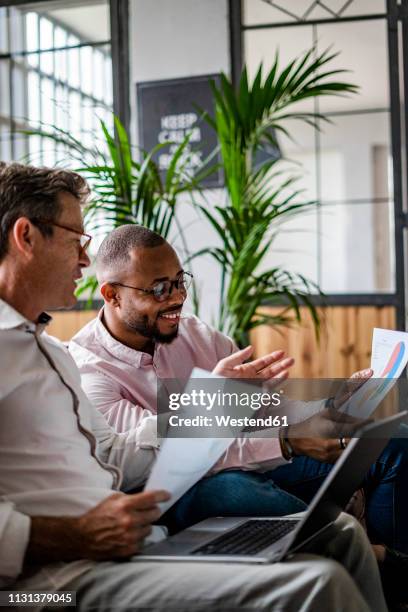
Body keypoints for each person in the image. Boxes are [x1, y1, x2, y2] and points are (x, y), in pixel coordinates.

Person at [0, 161, 386, 612]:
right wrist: (73, 534)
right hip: (49, 583)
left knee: (340, 535)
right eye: (75, 241)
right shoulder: (73, 360)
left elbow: (116, 458)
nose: (85, 259)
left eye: (177, 283)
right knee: (315, 581)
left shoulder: (51, 354)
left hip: (133, 546)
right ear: (26, 236)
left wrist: (318, 402)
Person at [69, 225, 408, 560]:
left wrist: (329, 408)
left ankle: (394, 575)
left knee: (393, 440)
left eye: (179, 281)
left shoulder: (198, 335)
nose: (177, 298)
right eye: (159, 288)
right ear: (112, 295)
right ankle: (366, 552)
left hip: (258, 457)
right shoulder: (89, 372)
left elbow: (262, 410)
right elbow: (171, 456)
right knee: (231, 489)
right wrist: (284, 442)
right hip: (176, 490)